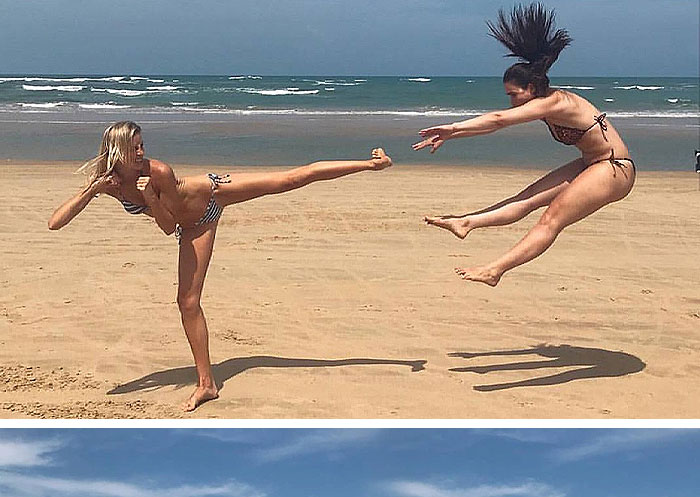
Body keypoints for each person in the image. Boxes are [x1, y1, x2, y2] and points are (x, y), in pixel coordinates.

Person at [48, 121, 393, 410]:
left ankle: (371, 164)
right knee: (187, 302)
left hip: (213, 195)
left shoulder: (159, 172)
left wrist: (151, 196)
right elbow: (55, 223)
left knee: (290, 180)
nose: (142, 153)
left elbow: (167, 226)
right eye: (135, 148)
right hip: (194, 227)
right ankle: (207, 385)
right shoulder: (113, 185)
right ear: (117, 152)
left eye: (142, 146)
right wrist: (93, 188)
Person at [413, 3, 636, 286]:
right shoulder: (542, 104)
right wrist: (451, 135)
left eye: (514, 94)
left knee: (551, 219)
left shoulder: (554, 102)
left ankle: (495, 270)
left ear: (532, 88)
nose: (511, 101)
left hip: (615, 168)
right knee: (527, 197)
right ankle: (466, 223)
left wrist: (453, 128)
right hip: (591, 164)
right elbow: (497, 124)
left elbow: (498, 120)